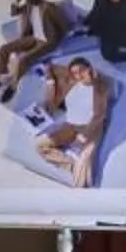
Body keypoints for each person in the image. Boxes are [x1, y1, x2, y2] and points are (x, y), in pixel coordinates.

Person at [0, 0, 81, 96]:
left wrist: (58, 41)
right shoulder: (29, 6)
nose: (28, 0)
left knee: (23, 60)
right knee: (4, 48)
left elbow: (63, 26)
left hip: (47, 41)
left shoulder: (49, 7)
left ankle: (13, 87)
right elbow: (13, 12)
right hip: (34, 38)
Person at [34, 56, 110, 189]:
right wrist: (49, 78)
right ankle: (71, 164)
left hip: (90, 128)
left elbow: (100, 115)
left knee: (81, 182)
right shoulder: (71, 79)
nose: (79, 75)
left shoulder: (99, 86)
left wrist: (85, 135)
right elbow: (51, 68)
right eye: (75, 72)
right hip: (70, 126)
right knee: (39, 145)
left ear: (90, 69)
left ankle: (79, 183)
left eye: (82, 70)